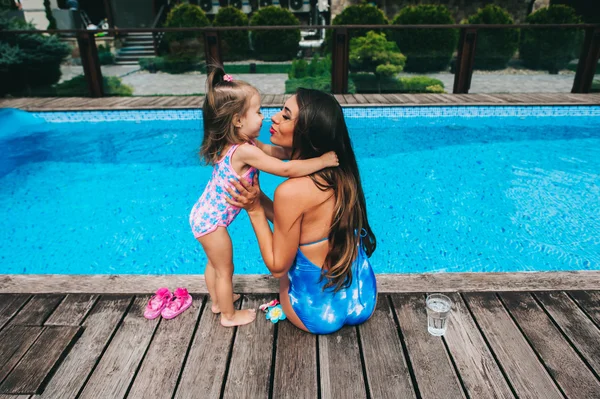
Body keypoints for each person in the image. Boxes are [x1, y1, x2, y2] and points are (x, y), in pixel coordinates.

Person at [190, 68, 339, 327]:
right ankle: (228, 315)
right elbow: (285, 169)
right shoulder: (245, 151)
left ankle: (217, 301)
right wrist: (323, 159)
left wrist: (292, 151)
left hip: (202, 217)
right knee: (225, 270)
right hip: (213, 223)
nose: (265, 117)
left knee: (214, 264)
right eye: (258, 112)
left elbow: (278, 153)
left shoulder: (239, 144)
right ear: (238, 120)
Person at [226, 88, 377, 334]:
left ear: (309, 133)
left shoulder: (291, 191)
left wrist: (254, 209)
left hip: (314, 314)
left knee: (286, 271)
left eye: (286, 116)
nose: (274, 118)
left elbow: (277, 267)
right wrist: (258, 196)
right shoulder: (342, 173)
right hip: (363, 298)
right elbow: (300, 223)